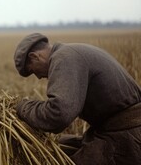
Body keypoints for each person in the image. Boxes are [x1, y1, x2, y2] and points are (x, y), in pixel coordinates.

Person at [13, 33, 141, 164]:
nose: (39, 77)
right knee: (57, 146)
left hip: (124, 138)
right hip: (113, 131)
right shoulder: (71, 51)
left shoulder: (64, 58)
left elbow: (57, 115)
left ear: (34, 57)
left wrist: (23, 107)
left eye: (33, 71)